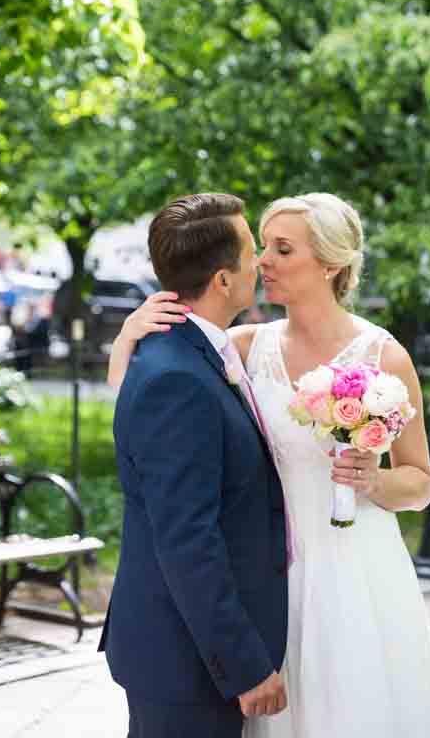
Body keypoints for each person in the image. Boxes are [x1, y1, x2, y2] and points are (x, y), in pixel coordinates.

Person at [109, 192, 430, 738]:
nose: (264, 260)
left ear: (332, 264)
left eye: (282, 249)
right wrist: (128, 336)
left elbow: (422, 483)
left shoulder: (385, 357)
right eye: (262, 246)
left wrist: (374, 479)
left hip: (354, 571)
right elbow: (158, 423)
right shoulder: (243, 347)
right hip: (267, 577)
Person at [99, 193, 289, 738]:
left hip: (188, 656)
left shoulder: (186, 354)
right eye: (253, 249)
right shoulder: (177, 376)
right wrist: (245, 665)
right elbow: (187, 539)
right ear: (224, 280)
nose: (260, 262)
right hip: (185, 663)